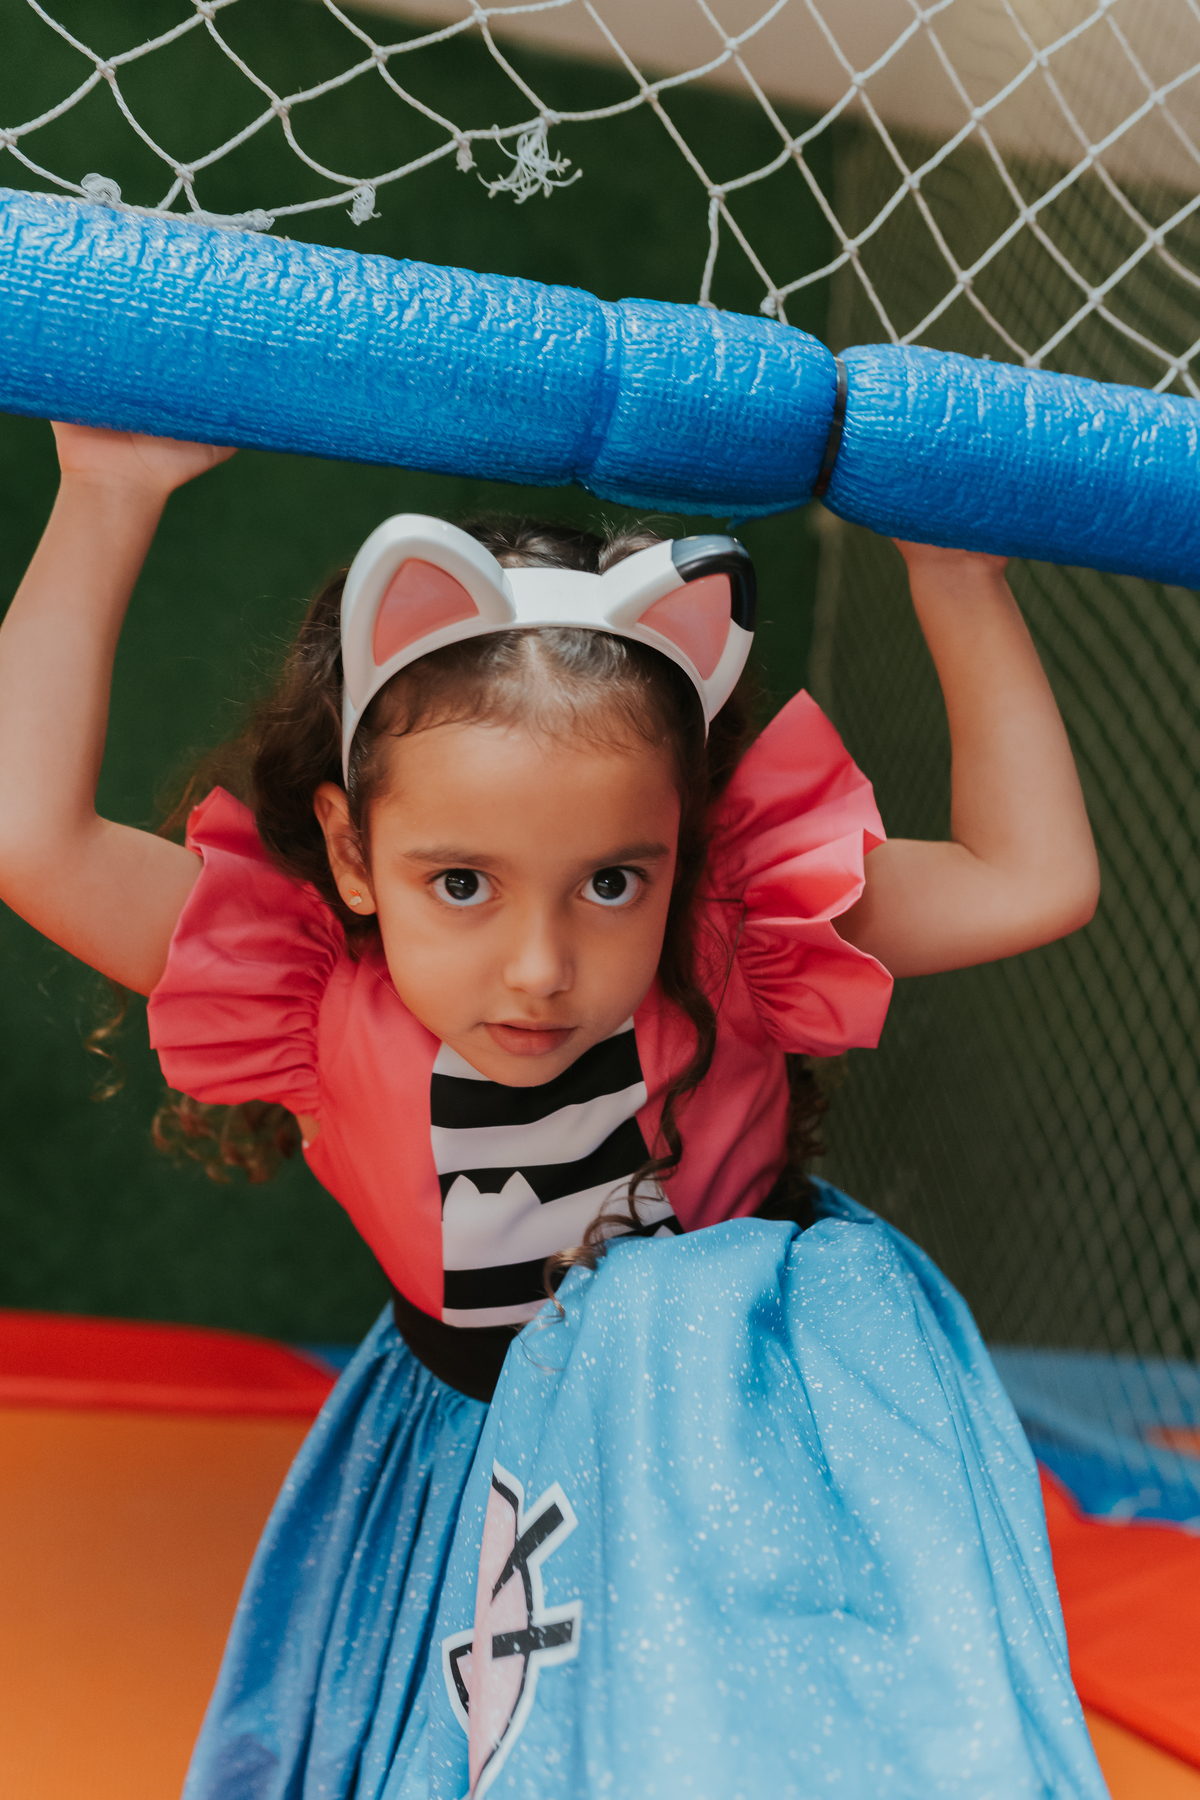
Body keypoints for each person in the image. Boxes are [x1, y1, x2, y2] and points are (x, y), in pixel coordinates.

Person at [0, 424, 1108, 1800]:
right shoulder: (308, 1000)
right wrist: (105, 495)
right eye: (461, 883)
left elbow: (1033, 877)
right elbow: (26, 831)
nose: (539, 968)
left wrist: (958, 575)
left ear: (681, 849)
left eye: (610, 883)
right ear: (350, 852)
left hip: (735, 1442)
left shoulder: (735, 941)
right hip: (484, 1458)